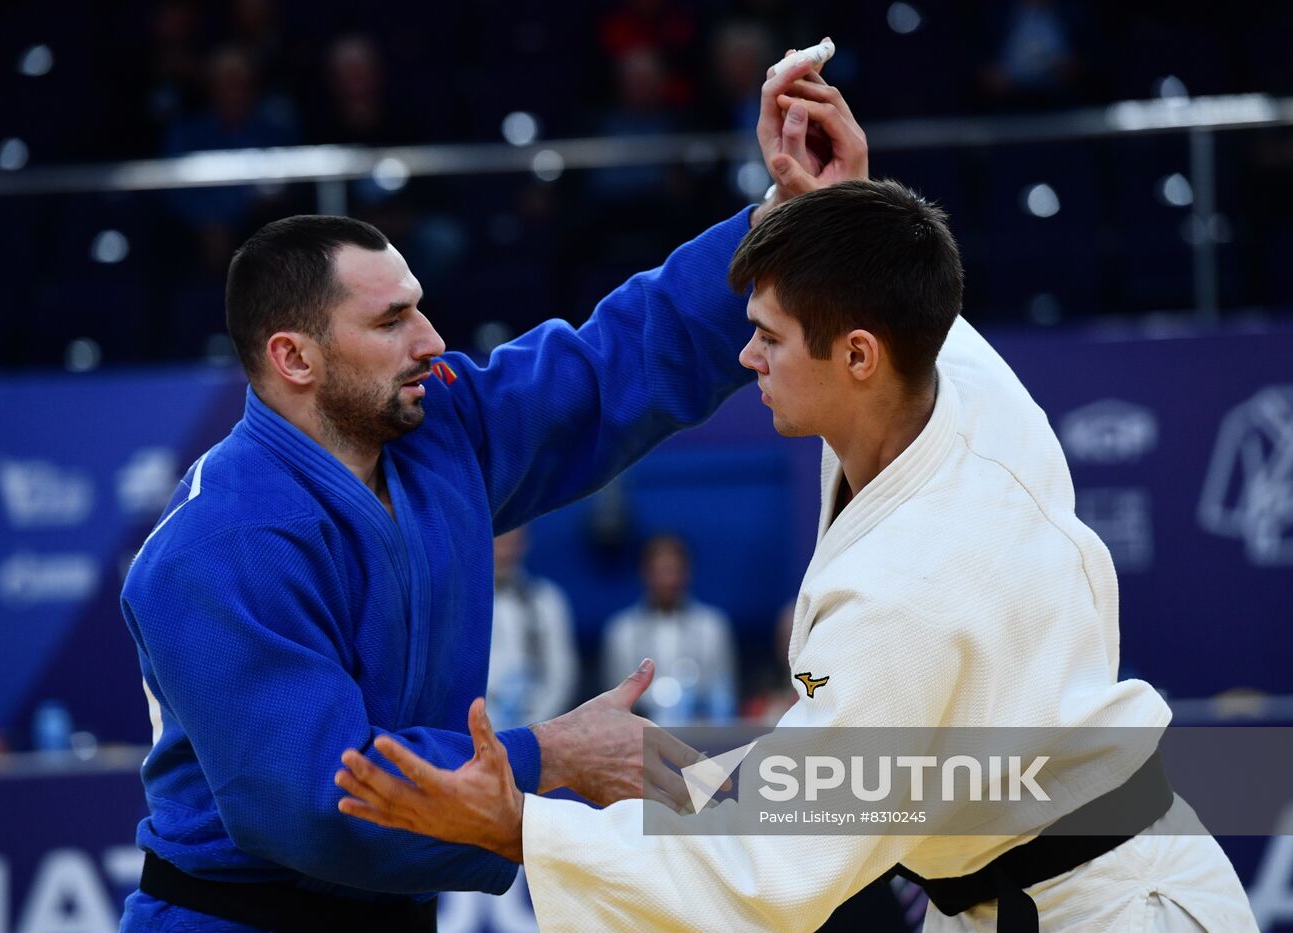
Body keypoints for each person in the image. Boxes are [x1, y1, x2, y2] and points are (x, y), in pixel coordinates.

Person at [332, 93, 1259, 931]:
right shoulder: (951, 381)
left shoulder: (911, 596)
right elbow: (895, 276)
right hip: (1021, 884)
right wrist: (836, 200)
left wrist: (524, 825)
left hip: (1108, 910)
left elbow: (772, 866)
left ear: (858, 357)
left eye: (769, 339)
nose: (746, 359)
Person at [118, 45, 840, 932]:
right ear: (293, 358)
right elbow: (317, 798)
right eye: (391, 320)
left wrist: (785, 221)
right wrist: (552, 759)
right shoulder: (214, 548)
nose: (431, 338)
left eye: (418, 304)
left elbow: (615, 362)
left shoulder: (435, 430)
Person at [601, 534, 737, 724]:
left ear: (687, 573)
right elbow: (617, 702)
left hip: (699, 739)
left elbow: (722, 699)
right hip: (638, 738)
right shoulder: (621, 631)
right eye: (660, 571)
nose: (667, 581)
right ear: (644, 573)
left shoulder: (712, 626)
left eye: (673, 571)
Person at [485, 526, 578, 730]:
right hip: (478, 729)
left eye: (511, 542)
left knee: (660, 753)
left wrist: (531, 729)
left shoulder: (547, 600)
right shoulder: (464, 603)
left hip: (536, 728)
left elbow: (561, 678)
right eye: (498, 542)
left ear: (523, 544)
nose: (504, 552)